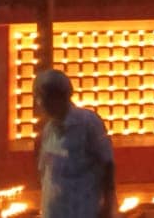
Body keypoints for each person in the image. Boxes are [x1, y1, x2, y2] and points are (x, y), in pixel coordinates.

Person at [34, 69, 116, 218]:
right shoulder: (48, 130)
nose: (41, 104)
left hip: (83, 210)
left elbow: (107, 163)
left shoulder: (88, 123)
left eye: (45, 98)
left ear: (61, 97)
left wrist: (108, 204)